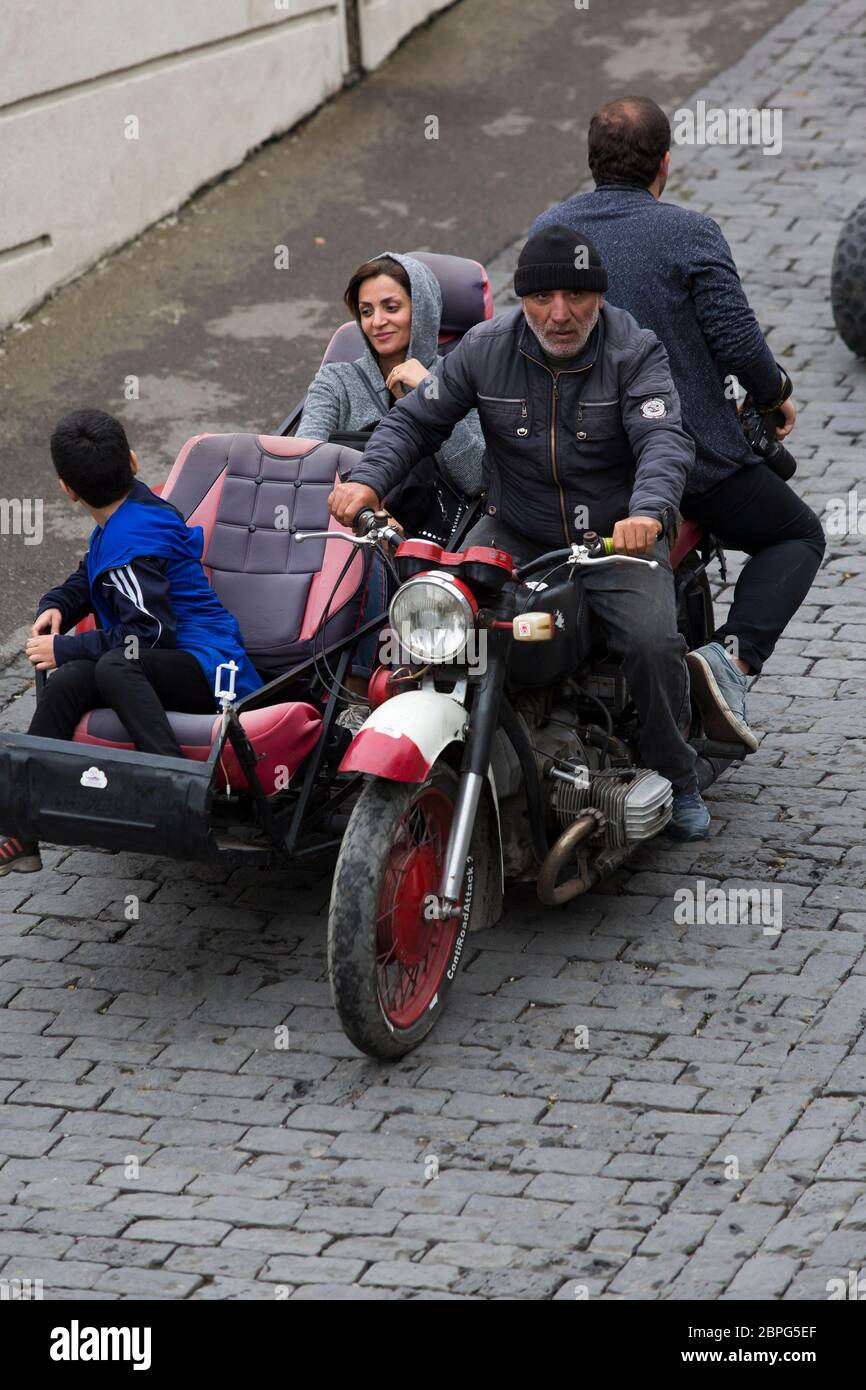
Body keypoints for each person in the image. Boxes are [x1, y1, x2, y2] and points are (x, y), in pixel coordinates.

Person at [328, 224, 714, 841]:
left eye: (574, 297)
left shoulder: (634, 351)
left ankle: (678, 773)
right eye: (541, 299)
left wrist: (648, 513)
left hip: (617, 538)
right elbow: (415, 421)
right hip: (517, 527)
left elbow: (663, 441)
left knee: (650, 641)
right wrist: (369, 480)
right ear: (522, 299)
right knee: (438, 628)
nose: (558, 314)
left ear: (599, 295)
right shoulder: (485, 347)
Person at [530, 96, 825, 752]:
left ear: (591, 162)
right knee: (799, 535)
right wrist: (775, 393)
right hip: (688, 461)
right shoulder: (690, 233)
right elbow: (739, 346)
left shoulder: (552, 227)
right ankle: (730, 661)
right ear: (664, 164)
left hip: (575, 459)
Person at [0, 408, 260, 877]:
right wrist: (58, 602)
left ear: (68, 489)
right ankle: (21, 829)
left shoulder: (133, 539)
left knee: (107, 666)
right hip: (159, 662)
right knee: (69, 683)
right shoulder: (129, 513)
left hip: (209, 667)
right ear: (134, 463)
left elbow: (148, 635)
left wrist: (66, 649)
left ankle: (179, 791)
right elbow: (90, 572)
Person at [299, 251, 486, 709]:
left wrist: (431, 395)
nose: (378, 322)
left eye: (391, 307)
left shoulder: (458, 376)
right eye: (366, 312)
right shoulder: (338, 380)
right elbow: (305, 461)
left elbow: (477, 475)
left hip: (436, 540)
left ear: (419, 309)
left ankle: (360, 696)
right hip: (346, 530)